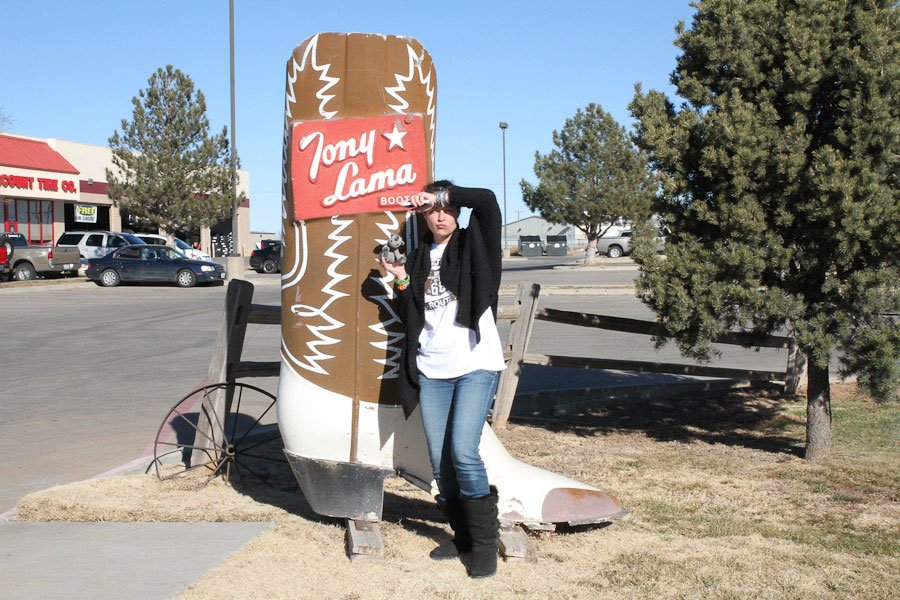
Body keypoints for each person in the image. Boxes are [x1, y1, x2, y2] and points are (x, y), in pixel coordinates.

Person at [380, 180, 505, 578]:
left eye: (446, 209)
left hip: (474, 364)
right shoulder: (419, 257)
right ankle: (463, 536)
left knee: (464, 452)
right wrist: (400, 277)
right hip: (432, 369)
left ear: (455, 210)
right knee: (440, 462)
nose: (439, 216)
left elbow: (486, 201)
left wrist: (436, 195)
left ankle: (484, 544)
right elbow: (412, 313)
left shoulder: (475, 245)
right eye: (432, 211)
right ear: (423, 217)